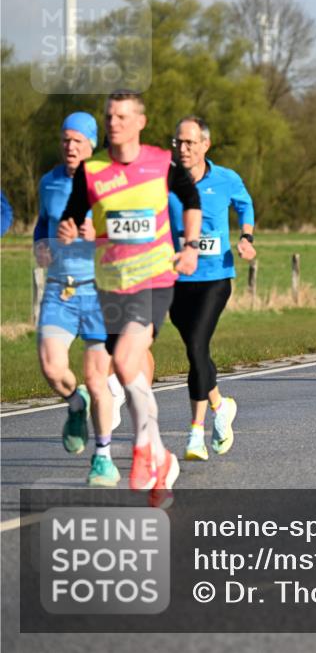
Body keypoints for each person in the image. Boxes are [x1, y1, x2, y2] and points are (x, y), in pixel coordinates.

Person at [58, 90, 202, 507]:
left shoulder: (161, 162)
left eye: (122, 116)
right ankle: (161, 457)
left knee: (123, 361)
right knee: (130, 373)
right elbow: (72, 215)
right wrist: (71, 230)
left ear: (140, 121)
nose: (114, 123)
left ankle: (143, 451)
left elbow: (190, 199)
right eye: (109, 116)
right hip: (110, 285)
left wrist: (190, 245)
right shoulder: (93, 170)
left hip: (154, 280)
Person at [34, 112, 127, 487]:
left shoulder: (110, 184)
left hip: (100, 290)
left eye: (78, 141)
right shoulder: (50, 182)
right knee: (52, 368)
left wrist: (97, 234)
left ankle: (102, 457)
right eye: (65, 140)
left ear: (92, 146)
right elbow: (43, 225)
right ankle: (76, 404)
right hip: (60, 288)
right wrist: (42, 246)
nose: (70, 147)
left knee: (96, 377)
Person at [167, 116, 256, 461]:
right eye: (178, 142)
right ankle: (221, 405)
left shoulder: (226, 178)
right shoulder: (164, 179)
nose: (183, 148)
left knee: (198, 344)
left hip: (215, 277)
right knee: (195, 351)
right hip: (176, 279)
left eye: (189, 142)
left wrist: (245, 237)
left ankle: (195, 434)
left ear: (206, 144)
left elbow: (245, 204)